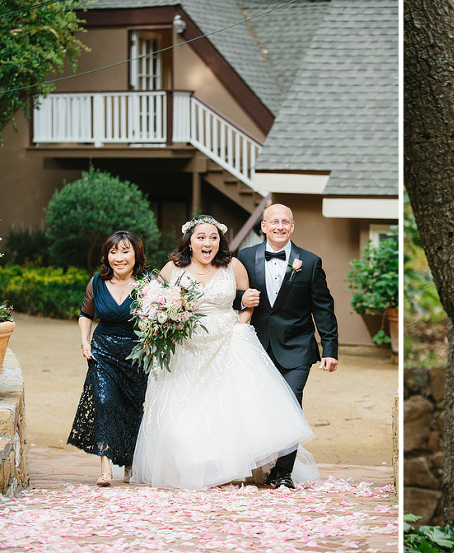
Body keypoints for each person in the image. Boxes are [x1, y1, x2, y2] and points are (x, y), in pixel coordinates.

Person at [133, 215, 318, 490]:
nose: (207, 243)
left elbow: (247, 302)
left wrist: (239, 326)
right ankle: (191, 466)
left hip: (227, 341)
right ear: (190, 241)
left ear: (220, 242)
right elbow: (155, 302)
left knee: (228, 406)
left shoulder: (233, 265)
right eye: (201, 237)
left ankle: (229, 466)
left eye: (213, 238)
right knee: (187, 409)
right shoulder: (173, 268)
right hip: (186, 346)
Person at [235, 204, 339, 489]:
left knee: (291, 403)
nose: (280, 226)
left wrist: (329, 349)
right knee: (257, 406)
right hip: (255, 347)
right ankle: (257, 464)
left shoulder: (311, 261)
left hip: (297, 347)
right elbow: (229, 297)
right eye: (274, 221)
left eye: (285, 222)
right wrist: (242, 300)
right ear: (264, 226)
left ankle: (283, 472)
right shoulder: (243, 257)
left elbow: (323, 308)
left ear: (292, 226)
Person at [67, 231, 150, 487]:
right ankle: (105, 466)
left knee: (132, 408)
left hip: (137, 355)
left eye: (125, 251)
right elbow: (85, 314)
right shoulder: (97, 282)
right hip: (103, 351)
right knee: (104, 402)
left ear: (136, 254)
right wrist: (85, 341)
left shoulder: (149, 283)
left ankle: (129, 463)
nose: (119, 257)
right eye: (113, 252)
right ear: (107, 256)